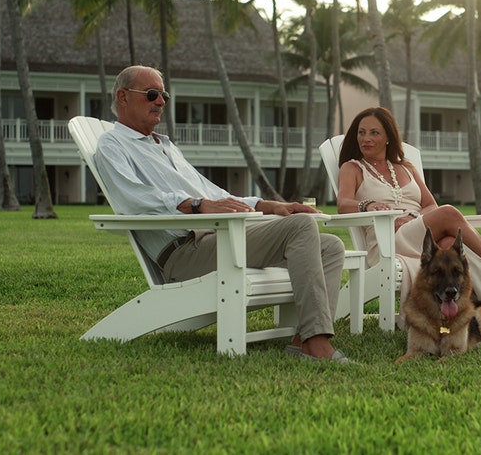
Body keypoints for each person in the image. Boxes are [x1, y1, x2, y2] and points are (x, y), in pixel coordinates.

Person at [93, 65, 349, 363]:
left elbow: (213, 193)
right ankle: (317, 345)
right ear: (123, 98)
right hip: (184, 252)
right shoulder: (112, 145)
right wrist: (196, 205)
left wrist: (270, 205)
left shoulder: (165, 146)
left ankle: (303, 339)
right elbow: (133, 198)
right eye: (152, 94)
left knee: (330, 246)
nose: (161, 101)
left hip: (219, 238)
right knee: (301, 226)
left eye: (163, 95)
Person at [336, 107, 481, 314]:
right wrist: (368, 205)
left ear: (388, 137)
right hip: (387, 241)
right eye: (361, 133)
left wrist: (413, 217)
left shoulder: (406, 167)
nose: (366, 138)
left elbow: (430, 205)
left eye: (374, 133)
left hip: (419, 234)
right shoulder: (353, 168)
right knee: (449, 213)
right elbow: (343, 203)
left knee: (451, 247)